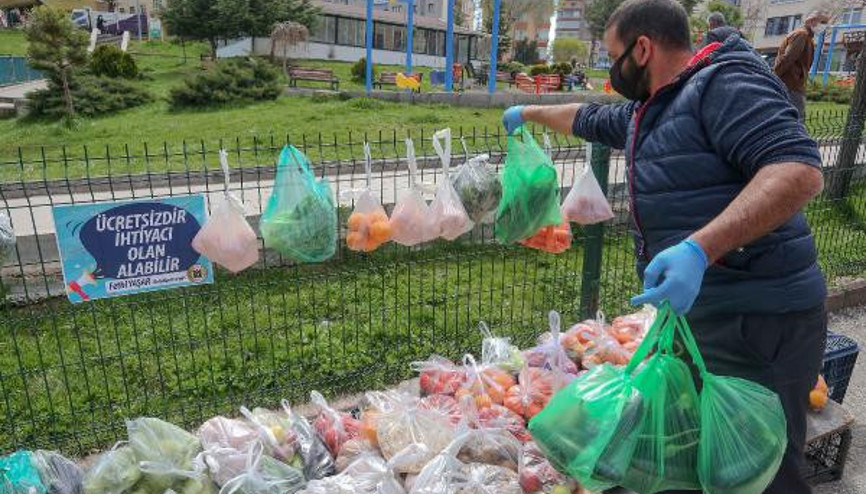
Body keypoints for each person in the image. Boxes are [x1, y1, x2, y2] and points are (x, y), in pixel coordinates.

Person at [502, 0, 825, 492]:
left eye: (614, 57)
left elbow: (797, 171)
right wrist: (527, 111)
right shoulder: (651, 109)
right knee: (708, 460)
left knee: (763, 468)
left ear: (643, 48)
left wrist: (699, 248)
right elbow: (586, 117)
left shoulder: (725, 84)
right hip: (700, 319)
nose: (613, 73)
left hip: (760, 319)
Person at [774, 11, 830, 120]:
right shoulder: (801, 35)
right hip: (790, 85)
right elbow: (787, 59)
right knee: (797, 121)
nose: (824, 26)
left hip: (793, 84)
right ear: (811, 21)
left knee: (792, 119)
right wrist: (774, 77)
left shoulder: (807, 37)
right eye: (823, 22)